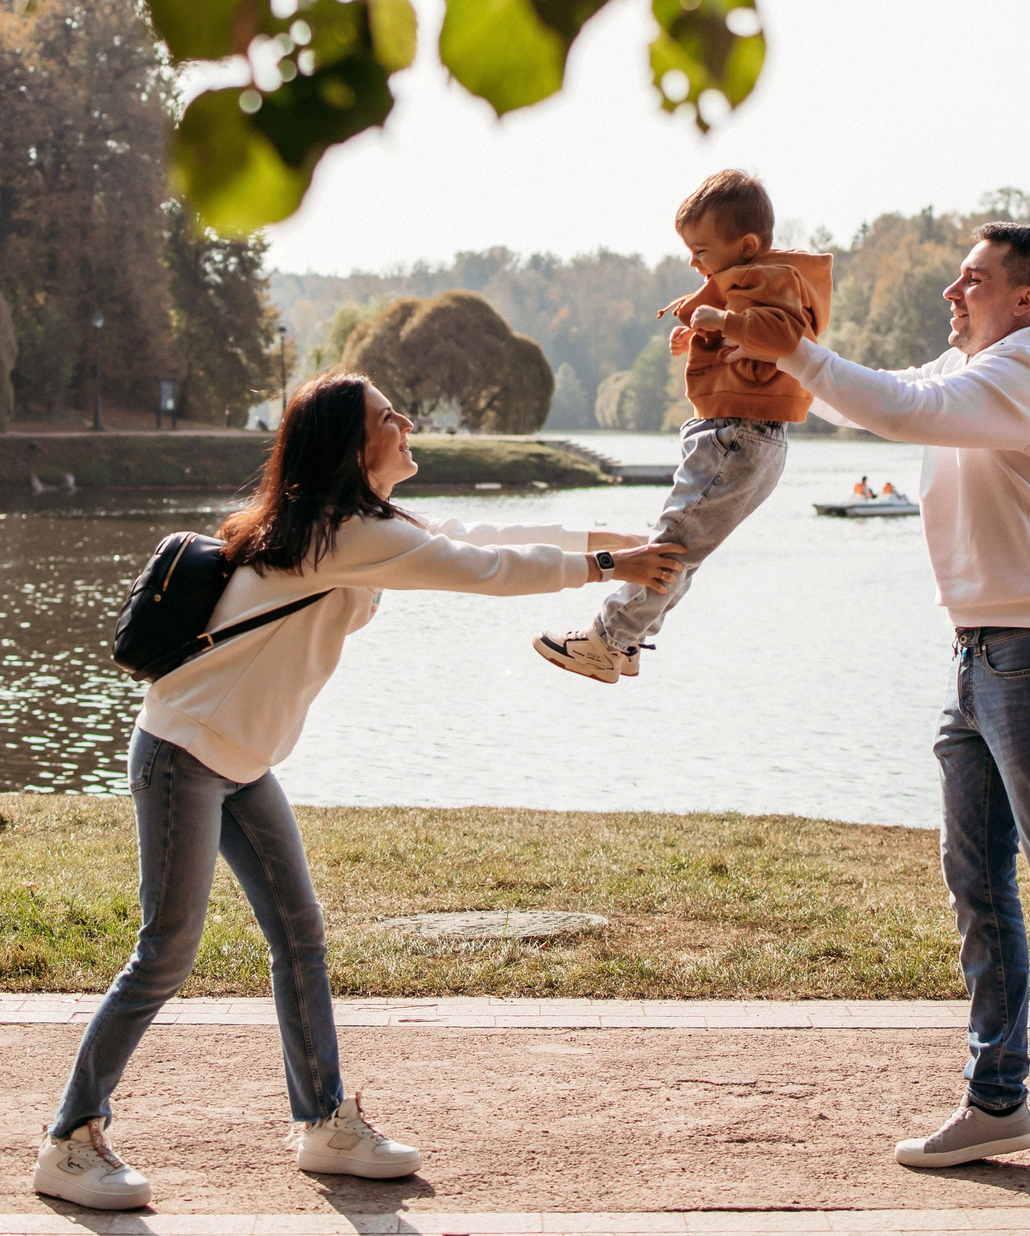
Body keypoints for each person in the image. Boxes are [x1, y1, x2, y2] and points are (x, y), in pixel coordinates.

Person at [34, 373, 683, 1209]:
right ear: (352, 446)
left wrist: (613, 539)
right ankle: (70, 1138)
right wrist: (604, 564)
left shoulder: (364, 526)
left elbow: (477, 533)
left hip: (240, 759)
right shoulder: (332, 535)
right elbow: (480, 568)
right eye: (387, 416)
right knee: (167, 949)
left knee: (299, 934)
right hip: (185, 751)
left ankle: (323, 1124)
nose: (407, 421)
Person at [728, 221, 1030, 1203]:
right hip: (977, 659)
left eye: (972, 278)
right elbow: (879, 395)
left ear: (1025, 299)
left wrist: (797, 353)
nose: (952, 288)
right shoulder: (974, 368)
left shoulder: (1028, 375)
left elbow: (898, 407)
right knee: (978, 886)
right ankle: (996, 1101)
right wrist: (742, 324)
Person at [533, 169, 831, 683]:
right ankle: (628, 641)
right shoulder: (749, 280)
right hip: (748, 435)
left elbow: (782, 335)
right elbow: (750, 335)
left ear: (747, 245)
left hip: (736, 432)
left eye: (701, 251)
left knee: (669, 543)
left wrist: (720, 324)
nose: (693, 263)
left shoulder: (768, 280)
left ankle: (606, 639)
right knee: (684, 547)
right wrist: (700, 337)